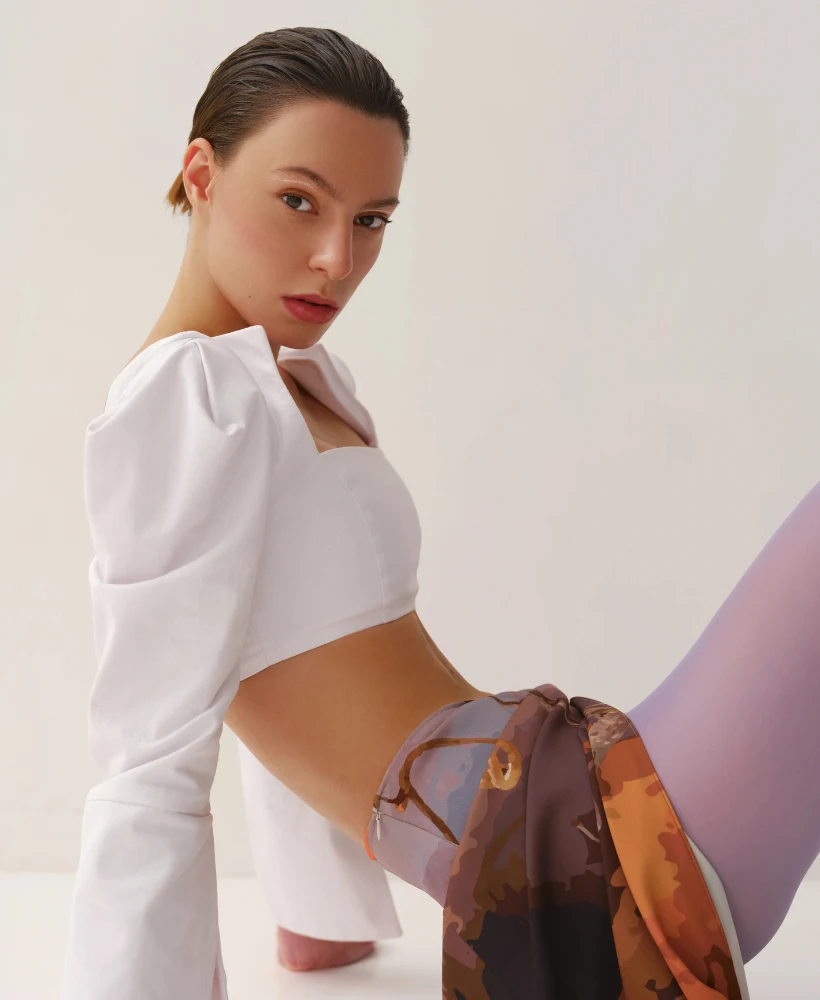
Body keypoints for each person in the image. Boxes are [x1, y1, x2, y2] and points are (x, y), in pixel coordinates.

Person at [61, 26, 819, 1000]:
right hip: (578, 869)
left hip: (561, 813)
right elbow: (153, 744)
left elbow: (259, 646)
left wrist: (318, 919)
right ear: (201, 175)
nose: (337, 259)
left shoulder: (289, 380)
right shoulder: (183, 399)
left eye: (372, 219)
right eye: (298, 201)